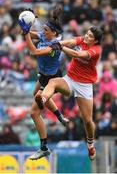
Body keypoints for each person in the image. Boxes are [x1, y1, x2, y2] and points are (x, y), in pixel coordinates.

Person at [33, 26, 103, 160]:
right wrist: (60, 43)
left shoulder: (96, 50)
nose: (86, 37)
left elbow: (76, 54)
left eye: (90, 37)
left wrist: (60, 47)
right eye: (87, 34)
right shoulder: (83, 40)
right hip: (70, 79)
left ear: (96, 41)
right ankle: (42, 99)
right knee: (52, 82)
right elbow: (70, 41)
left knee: (88, 121)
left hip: (84, 85)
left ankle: (90, 144)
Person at [18, 5, 69, 160]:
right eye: (44, 29)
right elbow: (26, 35)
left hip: (51, 79)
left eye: (46, 30)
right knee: (35, 94)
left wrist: (26, 31)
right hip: (42, 76)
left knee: (33, 112)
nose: (43, 32)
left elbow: (34, 51)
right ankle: (59, 116)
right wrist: (27, 25)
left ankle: (44, 147)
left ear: (55, 33)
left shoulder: (55, 46)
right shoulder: (45, 35)